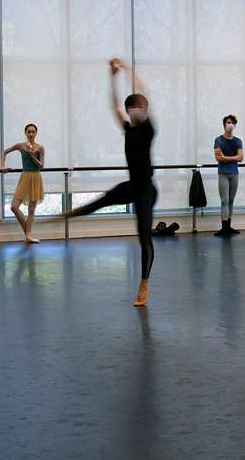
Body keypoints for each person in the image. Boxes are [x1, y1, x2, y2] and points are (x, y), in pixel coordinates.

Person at [63, 58, 157, 307]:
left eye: (141, 107)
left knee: (144, 237)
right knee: (105, 199)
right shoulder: (128, 128)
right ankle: (73, 213)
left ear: (144, 110)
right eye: (134, 108)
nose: (138, 110)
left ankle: (144, 283)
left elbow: (143, 91)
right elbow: (114, 105)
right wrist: (112, 77)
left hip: (147, 189)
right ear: (130, 112)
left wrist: (126, 69)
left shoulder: (148, 129)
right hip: (132, 186)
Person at [2, 124, 45, 243]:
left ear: (36, 133)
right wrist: (3, 166)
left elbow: (41, 166)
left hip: (36, 177)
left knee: (31, 210)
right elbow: (4, 152)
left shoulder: (40, 148)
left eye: (33, 132)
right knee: (14, 207)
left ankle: (28, 236)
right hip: (25, 176)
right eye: (29, 132)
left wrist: (32, 155)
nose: (31, 134)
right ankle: (28, 233)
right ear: (25, 133)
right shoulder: (20, 146)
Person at [213, 115, 243, 237]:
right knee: (224, 200)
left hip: (234, 173)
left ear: (235, 125)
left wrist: (225, 157)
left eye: (232, 122)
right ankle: (224, 227)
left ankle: (229, 227)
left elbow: (241, 158)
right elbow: (218, 158)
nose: (230, 124)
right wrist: (233, 158)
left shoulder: (238, 141)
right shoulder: (218, 140)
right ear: (224, 124)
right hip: (223, 174)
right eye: (228, 122)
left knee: (231, 200)